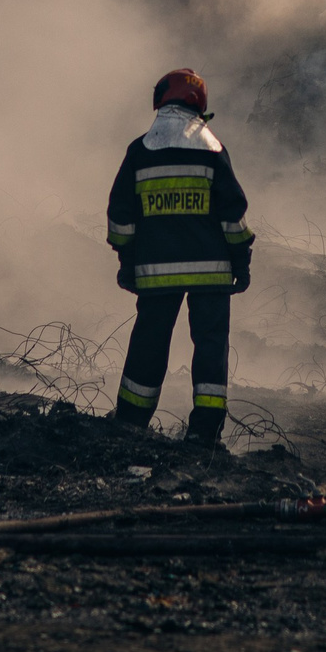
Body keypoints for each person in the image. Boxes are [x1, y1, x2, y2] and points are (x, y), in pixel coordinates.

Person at [105, 68, 253, 442]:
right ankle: (205, 433)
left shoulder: (140, 151)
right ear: (199, 104)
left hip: (155, 274)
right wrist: (242, 264)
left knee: (149, 344)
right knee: (210, 347)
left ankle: (130, 424)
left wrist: (128, 264)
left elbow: (120, 218)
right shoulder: (214, 150)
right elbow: (233, 218)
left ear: (160, 100)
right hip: (212, 275)